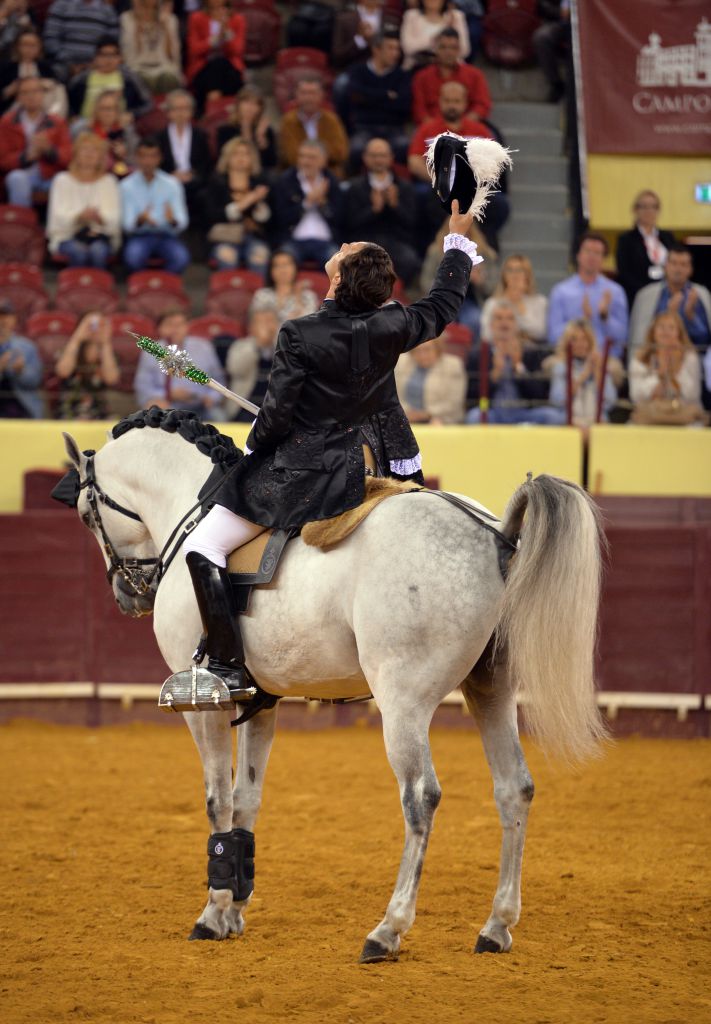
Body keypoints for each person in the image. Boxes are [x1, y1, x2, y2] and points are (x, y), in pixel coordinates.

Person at [181, 199, 479, 692]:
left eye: (348, 249)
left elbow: (275, 417)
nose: (340, 245)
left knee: (204, 543)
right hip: (371, 462)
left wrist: (254, 450)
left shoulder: (299, 334)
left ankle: (228, 666)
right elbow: (445, 303)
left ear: (339, 277)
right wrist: (458, 240)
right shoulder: (394, 324)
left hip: (306, 473)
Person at [408, 80, 506, 250]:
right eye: (447, 101)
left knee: (500, 204)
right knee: (421, 199)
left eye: (456, 101)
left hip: (474, 189)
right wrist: (439, 178)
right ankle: (433, 251)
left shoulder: (480, 131)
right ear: (440, 102)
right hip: (438, 188)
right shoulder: (427, 129)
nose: (452, 105)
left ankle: (485, 252)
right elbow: (414, 161)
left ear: (465, 103)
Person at [343, 137, 419, 285]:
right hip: (364, 241)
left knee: (410, 260)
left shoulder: (404, 187)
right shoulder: (355, 187)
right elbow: (349, 222)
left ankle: (396, 294)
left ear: (391, 158)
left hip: (397, 241)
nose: (378, 160)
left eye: (383, 155)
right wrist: (373, 210)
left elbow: (412, 222)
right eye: (374, 156)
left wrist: (395, 205)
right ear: (365, 158)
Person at [466, 300, 556, 424]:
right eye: (499, 318)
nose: (504, 323)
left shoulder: (531, 353)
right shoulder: (479, 354)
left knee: (552, 417)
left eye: (510, 318)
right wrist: (494, 376)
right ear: (491, 325)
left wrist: (518, 366)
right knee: (474, 417)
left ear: (516, 325)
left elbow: (540, 395)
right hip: (492, 413)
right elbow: (470, 396)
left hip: (525, 414)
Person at [134, 308, 226, 418]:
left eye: (180, 325)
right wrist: (167, 395)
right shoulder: (150, 352)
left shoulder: (204, 347)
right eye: (170, 325)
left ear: (187, 327)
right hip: (168, 405)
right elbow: (143, 388)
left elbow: (219, 380)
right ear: (160, 328)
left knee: (219, 416)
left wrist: (212, 397)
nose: (175, 330)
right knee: (158, 415)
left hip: (201, 406)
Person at [340, 31, 412, 171]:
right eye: (390, 48)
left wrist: (368, 97)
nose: (395, 53)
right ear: (376, 49)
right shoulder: (358, 71)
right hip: (363, 127)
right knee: (355, 150)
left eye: (397, 49)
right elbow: (354, 96)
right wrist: (387, 95)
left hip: (394, 128)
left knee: (405, 148)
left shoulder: (402, 75)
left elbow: (403, 105)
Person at [46, 132, 121, 267]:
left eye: (94, 150)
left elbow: (114, 218)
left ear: (101, 157)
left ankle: (98, 287)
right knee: (78, 251)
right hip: (68, 237)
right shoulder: (62, 180)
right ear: (76, 154)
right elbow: (56, 217)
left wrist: (100, 218)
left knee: (98, 251)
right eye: (85, 149)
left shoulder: (109, 181)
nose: (89, 154)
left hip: (100, 236)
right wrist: (78, 217)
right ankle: (76, 287)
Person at [547, 232, 628, 356]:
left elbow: (623, 337)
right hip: (568, 359)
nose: (592, 257)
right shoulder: (561, 291)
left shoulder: (615, 292)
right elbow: (553, 336)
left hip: (605, 361)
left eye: (597, 253)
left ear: (604, 259)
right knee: (557, 370)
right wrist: (581, 320)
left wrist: (605, 318)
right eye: (587, 251)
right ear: (578, 255)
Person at [119, 136, 189, 274]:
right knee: (132, 258)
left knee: (181, 259)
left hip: (166, 235)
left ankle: (162, 287)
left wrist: (172, 220)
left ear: (159, 158)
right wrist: (140, 220)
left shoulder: (172, 184)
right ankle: (144, 289)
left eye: (152, 156)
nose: (148, 161)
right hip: (140, 236)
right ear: (136, 158)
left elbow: (182, 220)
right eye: (143, 156)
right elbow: (127, 224)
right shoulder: (126, 186)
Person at [0, 75, 72, 208]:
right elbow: (3, 159)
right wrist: (26, 156)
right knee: (16, 178)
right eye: (25, 93)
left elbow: (68, 157)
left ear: (42, 94)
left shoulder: (57, 122)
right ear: (18, 97)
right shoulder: (6, 123)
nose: (31, 96)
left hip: (50, 174)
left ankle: (60, 226)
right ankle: (21, 225)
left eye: (35, 91)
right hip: (23, 173)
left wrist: (49, 150)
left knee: (66, 180)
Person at [270, 140, 342, 268]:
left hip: (326, 241)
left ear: (324, 160)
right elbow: (280, 218)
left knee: (340, 265)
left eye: (312, 157)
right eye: (302, 156)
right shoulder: (285, 181)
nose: (306, 161)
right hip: (293, 240)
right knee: (283, 262)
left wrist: (322, 204)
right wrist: (307, 202)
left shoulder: (332, 182)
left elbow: (340, 218)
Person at [628, 244, 711, 355]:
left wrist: (690, 316)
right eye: (674, 263)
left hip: (693, 360)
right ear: (665, 266)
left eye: (683, 264)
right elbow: (638, 334)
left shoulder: (701, 294)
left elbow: (704, 340)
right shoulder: (645, 295)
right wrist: (669, 313)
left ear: (690, 269)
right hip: (654, 358)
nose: (678, 269)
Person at [204, 137, 271, 273]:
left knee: (260, 256)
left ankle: (257, 294)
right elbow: (212, 215)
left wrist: (258, 203)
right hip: (224, 237)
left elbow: (268, 219)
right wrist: (247, 201)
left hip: (253, 236)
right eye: (236, 153)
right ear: (227, 157)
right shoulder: (216, 182)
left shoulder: (259, 181)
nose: (241, 158)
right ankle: (229, 294)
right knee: (227, 256)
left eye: (245, 154)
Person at [546, 318, 623, 428]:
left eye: (584, 339)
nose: (580, 344)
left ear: (590, 341)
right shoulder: (561, 367)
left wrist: (597, 374)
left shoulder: (600, 366)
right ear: (567, 343)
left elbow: (609, 403)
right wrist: (583, 376)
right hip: (570, 423)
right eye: (574, 339)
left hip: (598, 423)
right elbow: (557, 401)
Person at [628, 311, 703, 419]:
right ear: (653, 333)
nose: (666, 332)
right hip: (650, 415)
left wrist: (675, 369)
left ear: (679, 334)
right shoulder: (640, 359)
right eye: (661, 327)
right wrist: (661, 377)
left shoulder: (690, 358)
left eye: (671, 328)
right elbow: (636, 396)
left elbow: (692, 396)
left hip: (684, 415)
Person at [412, 26, 491, 124]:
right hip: (433, 132)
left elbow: (482, 105)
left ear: (459, 50)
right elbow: (420, 111)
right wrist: (436, 129)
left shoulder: (475, 75)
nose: (448, 52)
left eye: (453, 48)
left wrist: (461, 126)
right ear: (436, 50)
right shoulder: (422, 77)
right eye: (443, 47)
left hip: (468, 130)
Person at [67, 36, 152, 124]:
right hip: (87, 124)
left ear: (120, 58)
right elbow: (68, 103)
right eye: (104, 55)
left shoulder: (130, 78)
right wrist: (72, 116)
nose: (108, 60)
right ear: (96, 58)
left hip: (119, 124)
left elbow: (147, 104)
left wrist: (132, 114)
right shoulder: (81, 79)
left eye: (113, 55)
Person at [278, 76, 349, 178]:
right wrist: (319, 157)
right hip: (296, 174)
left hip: (328, 173)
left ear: (321, 95)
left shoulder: (332, 120)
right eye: (304, 93)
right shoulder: (288, 121)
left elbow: (340, 152)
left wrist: (310, 159)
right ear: (296, 95)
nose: (308, 98)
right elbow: (290, 156)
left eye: (312, 93)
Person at [615, 190, 676, 307]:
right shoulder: (626, 239)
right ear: (635, 210)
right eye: (644, 207)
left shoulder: (668, 237)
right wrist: (649, 292)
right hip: (640, 297)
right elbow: (624, 272)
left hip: (667, 296)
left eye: (653, 207)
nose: (649, 211)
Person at [54, 311, 120, 419]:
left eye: (100, 325)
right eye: (90, 324)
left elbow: (111, 379)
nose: (95, 328)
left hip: (99, 411)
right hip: (70, 410)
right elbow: (63, 372)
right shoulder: (68, 350)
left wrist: (105, 342)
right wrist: (77, 338)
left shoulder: (108, 353)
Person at [156, 88, 211, 217]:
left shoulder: (201, 136)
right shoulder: (159, 138)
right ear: (168, 112)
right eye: (176, 109)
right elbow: (156, 164)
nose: (180, 113)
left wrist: (192, 175)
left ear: (191, 112)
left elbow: (206, 164)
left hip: (194, 183)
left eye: (185, 109)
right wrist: (171, 175)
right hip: (167, 180)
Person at [185, 0, 245, 114]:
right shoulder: (196, 18)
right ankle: (211, 110)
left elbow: (237, 51)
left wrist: (226, 32)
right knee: (216, 64)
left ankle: (210, 105)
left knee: (221, 63)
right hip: (203, 69)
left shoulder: (237, 19)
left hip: (229, 71)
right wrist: (214, 40)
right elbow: (194, 50)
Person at [395, 333, 468, 424]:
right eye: (417, 351)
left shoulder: (453, 365)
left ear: (438, 349)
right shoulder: (401, 362)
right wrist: (406, 412)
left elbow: (453, 402)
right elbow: (395, 396)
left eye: (427, 350)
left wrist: (427, 414)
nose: (422, 355)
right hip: (407, 417)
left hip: (442, 418)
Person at [225, 307, 280, 421]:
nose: (267, 327)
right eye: (262, 322)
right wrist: (258, 345)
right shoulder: (240, 346)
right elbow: (235, 369)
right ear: (251, 327)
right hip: (243, 408)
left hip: (274, 410)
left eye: (270, 321)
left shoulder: (283, 348)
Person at [43, 0, 119, 82]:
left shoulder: (107, 10)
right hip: (63, 63)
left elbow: (111, 43)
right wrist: (69, 64)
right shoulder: (61, 6)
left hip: (96, 65)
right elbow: (50, 37)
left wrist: (94, 63)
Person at [480, 254, 548, 344]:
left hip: (530, 350)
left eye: (520, 270)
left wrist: (518, 304)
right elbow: (485, 335)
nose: (515, 275)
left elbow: (540, 332)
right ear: (504, 275)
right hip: (497, 348)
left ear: (528, 275)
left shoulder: (540, 301)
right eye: (510, 270)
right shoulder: (492, 303)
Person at [119, 0, 182, 95]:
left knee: (168, 79)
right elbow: (128, 56)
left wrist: (165, 28)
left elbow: (172, 56)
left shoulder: (170, 19)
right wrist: (137, 27)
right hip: (138, 67)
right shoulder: (127, 18)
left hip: (164, 67)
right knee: (137, 80)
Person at [216, 85, 277, 172]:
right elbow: (223, 161)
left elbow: (271, 164)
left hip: (259, 176)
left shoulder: (266, 131)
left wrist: (261, 138)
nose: (250, 108)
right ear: (238, 105)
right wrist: (246, 131)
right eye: (246, 102)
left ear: (260, 109)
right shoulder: (225, 130)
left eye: (256, 104)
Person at [0, 298, 43, 418]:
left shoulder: (27, 347)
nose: (2, 321)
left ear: (14, 319)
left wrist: (20, 371)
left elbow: (35, 381)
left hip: (22, 408)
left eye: (6, 316)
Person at [249, 249, 319, 323]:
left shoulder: (308, 296)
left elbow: (309, 325)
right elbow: (257, 324)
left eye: (286, 264)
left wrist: (298, 298)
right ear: (271, 271)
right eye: (277, 265)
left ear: (295, 268)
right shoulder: (262, 295)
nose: (282, 269)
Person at [400, 0, 470, 71]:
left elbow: (464, 50)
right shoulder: (411, 16)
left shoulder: (455, 16)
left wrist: (427, 45)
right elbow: (408, 48)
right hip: (417, 66)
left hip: (450, 68)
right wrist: (438, 38)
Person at [0, 28, 56, 115]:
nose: (28, 49)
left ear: (40, 47)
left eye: (33, 45)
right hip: (11, 112)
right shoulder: (7, 68)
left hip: (43, 111)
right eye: (25, 45)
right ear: (17, 46)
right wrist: (8, 91)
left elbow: (55, 88)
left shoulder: (46, 68)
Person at [89, 88, 138, 178]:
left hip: (121, 178)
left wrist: (125, 155)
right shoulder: (85, 130)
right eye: (103, 109)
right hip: (92, 176)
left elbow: (138, 160)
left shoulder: (127, 132)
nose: (107, 113)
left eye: (111, 109)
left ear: (117, 111)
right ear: (96, 110)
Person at [332, 0, 393, 69]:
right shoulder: (344, 19)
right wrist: (361, 39)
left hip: (382, 75)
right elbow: (337, 56)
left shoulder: (390, 21)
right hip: (351, 71)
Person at [532, 1, 571, 104]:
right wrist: (562, 13)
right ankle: (556, 84)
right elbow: (545, 6)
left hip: (589, 25)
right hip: (562, 23)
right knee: (541, 37)